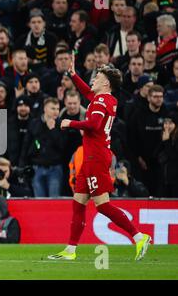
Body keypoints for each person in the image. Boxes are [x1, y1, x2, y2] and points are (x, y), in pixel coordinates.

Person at [48, 54, 151, 261]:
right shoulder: (107, 99)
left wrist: (70, 123)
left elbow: (94, 124)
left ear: (105, 82)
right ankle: (70, 250)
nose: (93, 79)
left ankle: (139, 236)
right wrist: (74, 76)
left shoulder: (101, 100)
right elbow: (88, 93)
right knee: (78, 203)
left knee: (103, 205)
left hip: (96, 157)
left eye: (97, 77)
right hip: (92, 156)